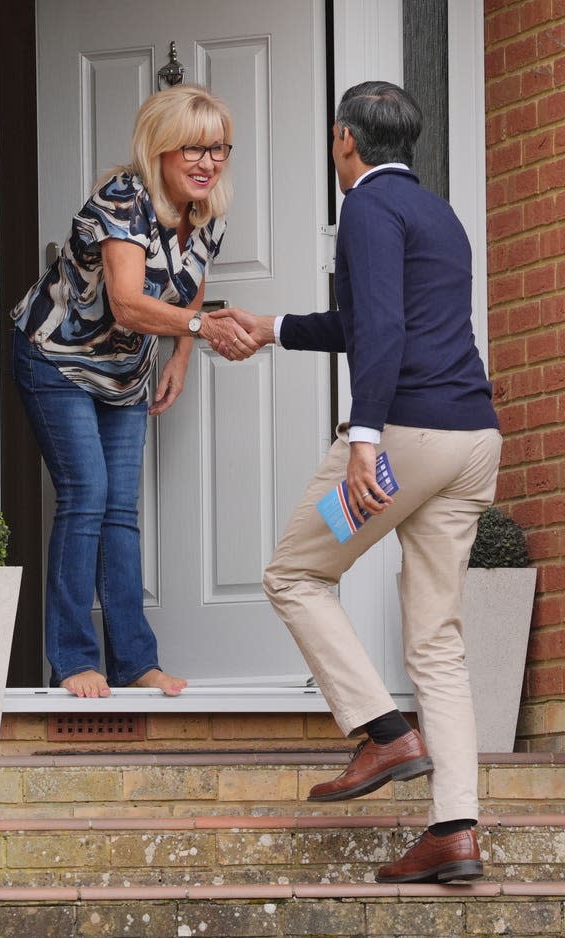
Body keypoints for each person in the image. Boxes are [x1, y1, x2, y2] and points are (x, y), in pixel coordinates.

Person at [210, 81, 502, 883]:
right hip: (471, 445)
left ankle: (381, 732)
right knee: (437, 641)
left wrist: (364, 441)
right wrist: (272, 329)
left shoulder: (368, 210)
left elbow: (384, 329)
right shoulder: (437, 214)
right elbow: (369, 320)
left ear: (346, 139)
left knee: (297, 573)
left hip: (401, 448)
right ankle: (454, 832)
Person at [11, 84, 256, 700]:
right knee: (86, 495)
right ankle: (71, 660)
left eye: (218, 148)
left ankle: (132, 662)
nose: (208, 163)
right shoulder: (123, 198)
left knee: (121, 507)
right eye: (193, 150)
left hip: (123, 372)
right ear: (161, 149)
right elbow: (125, 302)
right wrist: (200, 329)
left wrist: (182, 355)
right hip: (57, 357)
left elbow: (192, 281)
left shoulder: (209, 210)